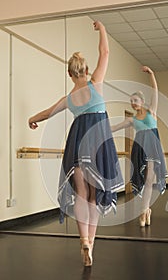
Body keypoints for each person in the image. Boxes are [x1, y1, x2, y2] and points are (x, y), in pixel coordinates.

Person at [28, 21, 124, 266]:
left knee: (81, 194)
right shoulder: (96, 84)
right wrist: (102, 28)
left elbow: (48, 112)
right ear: (86, 70)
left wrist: (32, 119)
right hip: (99, 142)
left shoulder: (69, 98)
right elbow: (105, 52)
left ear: (69, 74)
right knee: (93, 196)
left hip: (78, 141)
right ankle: (91, 242)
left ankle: (83, 239)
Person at [111, 66, 167, 227]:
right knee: (141, 181)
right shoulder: (131, 120)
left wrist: (152, 74)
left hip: (152, 147)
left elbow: (155, 92)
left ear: (142, 102)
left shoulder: (151, 112)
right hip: (139, 149)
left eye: (135, 100)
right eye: (131, 101)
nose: (133, 103)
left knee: (149, 179)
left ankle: (143, 212)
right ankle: (146, 210)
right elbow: (113, 128)